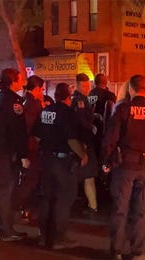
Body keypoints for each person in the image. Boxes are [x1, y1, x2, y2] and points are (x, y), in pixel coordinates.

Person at [103, 74, 145, 260]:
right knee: (141, 210)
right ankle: (138, 251)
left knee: (120, 208)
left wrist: (106, 161)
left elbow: (110, 138)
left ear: (131, 89)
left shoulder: (123, 109)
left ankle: (117, 251)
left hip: (124, 166)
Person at [34, 83, 88, 249]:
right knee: (64, 199)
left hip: (46, 159)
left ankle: (44, 236)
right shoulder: (68, 113)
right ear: (68, 96)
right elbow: (72, 140)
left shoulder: (45, 111)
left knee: (47, 197)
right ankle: (58, 238)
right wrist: (83, 155)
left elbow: (36, 136)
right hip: (63, 161)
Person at [0, 68, 30, 241]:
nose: (21, 82)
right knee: (5, 192)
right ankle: (6, 230)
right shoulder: (13, 101)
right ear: (12, 81)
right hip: (6, 154)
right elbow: (18, 131)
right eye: (19, 79)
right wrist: (23, 154)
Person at [15, 75, 44, 219]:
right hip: (31, 147)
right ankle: (22, 206)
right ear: (37, 88)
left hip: (26, 147)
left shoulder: (23, 101)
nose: (42, 92)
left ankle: (22, 206)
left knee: (27, 178)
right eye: (42, 89)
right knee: (30, 180)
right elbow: (31, 128)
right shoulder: (33, 104)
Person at [72, 73, 99, 215]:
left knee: (86, 177)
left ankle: (91, 205)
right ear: (77, 84)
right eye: (84, 86)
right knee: (88, 176)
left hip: (82, 144)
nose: (87, 88)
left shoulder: (82, 99)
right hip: (84, 144)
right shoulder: (79, 101)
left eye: (88, 85)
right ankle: (92, 206)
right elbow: (81, 124)